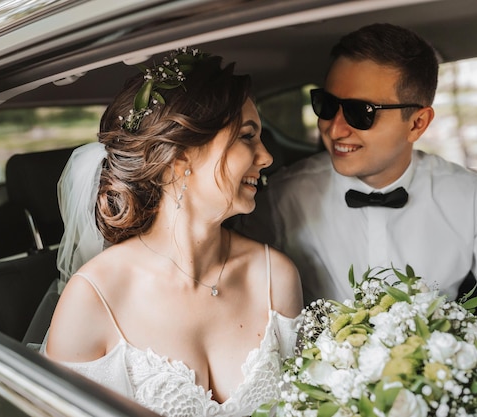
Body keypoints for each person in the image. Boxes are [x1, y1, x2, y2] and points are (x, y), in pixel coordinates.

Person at [41, 48, 303, 417]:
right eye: (247, 137)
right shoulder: (94, 297)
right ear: (180, 157)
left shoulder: (276, 276)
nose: (266, 157)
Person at [237, 23, 477, 328]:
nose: (334, 129)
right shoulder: (282, 196)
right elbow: (238, 295)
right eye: (327, 105)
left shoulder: (476, 200)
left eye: (361, 112)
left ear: (417, 123)